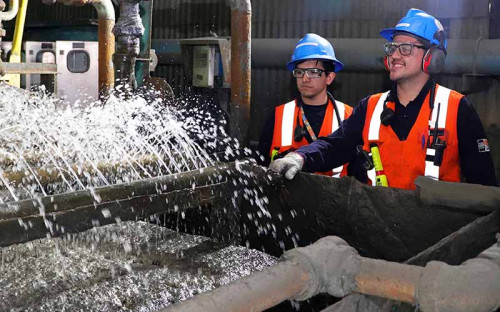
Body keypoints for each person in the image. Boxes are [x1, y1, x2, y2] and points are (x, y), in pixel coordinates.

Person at [269, 8, 497, 189]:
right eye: (392, 47)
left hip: (437, 238)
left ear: (432, 57)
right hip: (376, 235)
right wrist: (300, 157)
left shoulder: (457, 109)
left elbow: (484, 184)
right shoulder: (370, 107)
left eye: (405, 48)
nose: (395, 55)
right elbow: (335, 146)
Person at [258, 33, 361, 178]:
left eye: (313, 72)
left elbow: (359, 174)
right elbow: (261, 167)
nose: (305, 79)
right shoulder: (279, 116)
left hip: (336, 199)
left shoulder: (348, 116)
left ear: (329, 77)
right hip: (287, 199)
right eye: (299, 72)